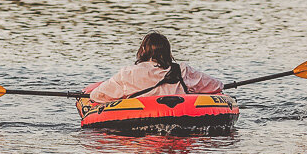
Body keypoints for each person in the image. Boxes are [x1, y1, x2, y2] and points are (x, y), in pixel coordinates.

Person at [86, 32, 224, 101]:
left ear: (143, 51)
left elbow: (97, 95)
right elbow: (217, 86)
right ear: (167, 51)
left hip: (139, 121)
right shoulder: (182, 70)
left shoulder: (128, 73)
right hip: (182, 119)